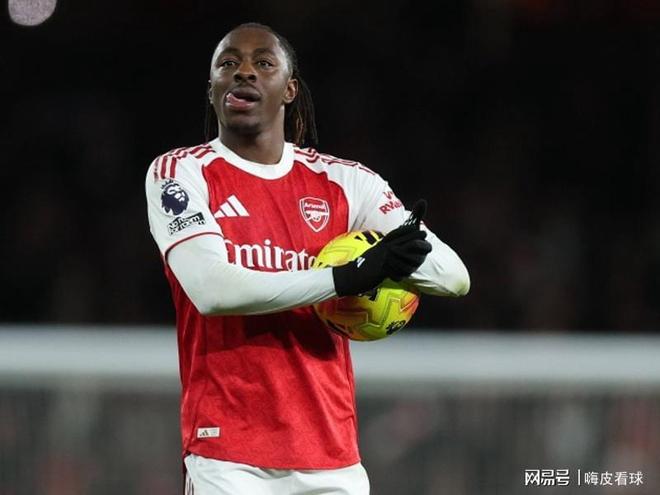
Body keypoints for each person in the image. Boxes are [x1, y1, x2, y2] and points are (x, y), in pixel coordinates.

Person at [145, 22, 470, 495]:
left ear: (289, 89)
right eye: (228, 63)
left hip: (332, 458)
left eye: (263, 63)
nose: (243, 72)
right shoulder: (180, 172)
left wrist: (395, 258)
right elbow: (213, 290)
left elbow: (454, 277)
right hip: (228, 459)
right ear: (211, 87)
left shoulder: (347, 183)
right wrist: (347, 277)